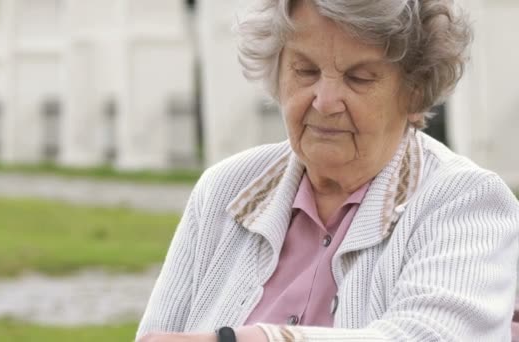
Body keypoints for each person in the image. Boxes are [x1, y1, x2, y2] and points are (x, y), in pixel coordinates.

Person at [137, 0, 519, 340]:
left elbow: (433, 335)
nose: (325, 100)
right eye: (305, 71)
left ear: (415, 92)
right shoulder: (225, 188)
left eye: (359, 78)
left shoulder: (466, 201)